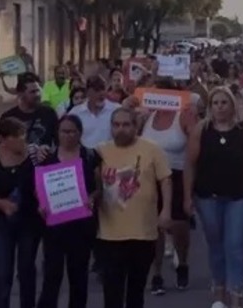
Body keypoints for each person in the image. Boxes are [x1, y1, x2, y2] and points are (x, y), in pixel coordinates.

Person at [184, 87, 243, 308]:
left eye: (224, 102)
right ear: (209, 106)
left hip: (239, 197)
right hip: (208, 197)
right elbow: (190, 164)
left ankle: (236, 294)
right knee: (215, 244)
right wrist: (187, 197)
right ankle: (219, 292)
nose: (220, 107)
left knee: (234, 245)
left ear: (232, 105)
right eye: (215, 103)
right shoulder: (201, 129)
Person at [97, 108, 172, 308]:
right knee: (112, 292)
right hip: (110, 234)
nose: (121, 129)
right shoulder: (100, 151)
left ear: (135, 126)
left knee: (136, 292)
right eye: (116, 125)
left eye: (126, 125)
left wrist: (166, 211)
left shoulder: (152, 149)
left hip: (143, 233)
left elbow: (165, 180)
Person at [0, 117, 42, 308]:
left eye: (24, 137)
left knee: (27, 269)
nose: (23, 142)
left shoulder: (33, 155)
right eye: (18, 138)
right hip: (2, 223)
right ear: (4, 139)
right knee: (4, 272)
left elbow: (45, 181)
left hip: (29, 220)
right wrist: (0, 204)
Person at [142, 79, 199, 295]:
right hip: (150, 176)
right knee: (154, 228)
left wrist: (192, 119)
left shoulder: (183, 115)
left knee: (178, 226)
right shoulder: (148, 116)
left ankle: (182, 262)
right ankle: (156, 273)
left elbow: (196, 142)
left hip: (177, 175)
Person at [36, 115, 98, 308]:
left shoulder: (90, 156)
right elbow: (39, 187)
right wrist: (41, 203)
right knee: (52, 276)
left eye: (73, 131)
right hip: (55, 227)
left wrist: (93, 198)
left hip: (81, 227)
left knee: (78, 277)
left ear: (80, 133)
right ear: (58, 133)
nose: (69, 135)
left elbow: (100, 187)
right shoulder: (47, 158)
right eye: (64, 131)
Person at [1, 73, 58, 158]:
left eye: (38, 90)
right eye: (33, 92)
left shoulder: (49, 113)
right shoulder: (8, 117)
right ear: (20, 94)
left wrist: (48, 150)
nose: (38, 95)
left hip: (43, 166)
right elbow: (1, 148)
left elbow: (59, 142)